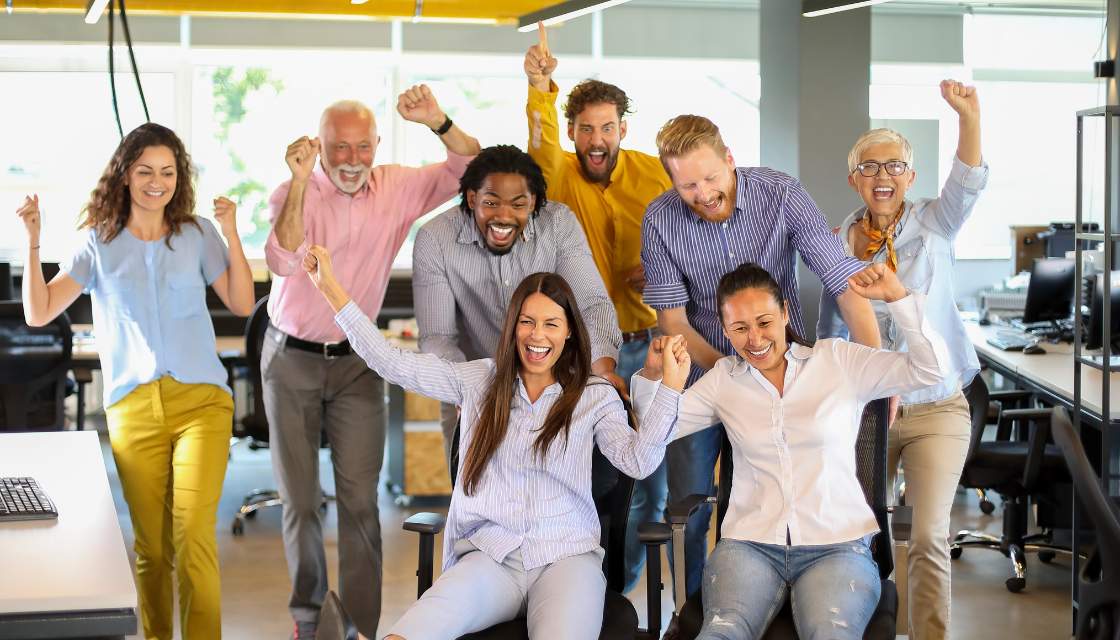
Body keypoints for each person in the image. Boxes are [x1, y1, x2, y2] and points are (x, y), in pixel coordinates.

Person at [302, 249, 687, 640]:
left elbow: (638, 462)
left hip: (566, 559)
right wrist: (329, 287)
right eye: (527, 322)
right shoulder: (478, 381)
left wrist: (670, 388)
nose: (538, 335)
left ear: (569, 330)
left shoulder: (594, 395)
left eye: (552, 324)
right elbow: (391, 361)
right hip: (489, 556)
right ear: (512, 327)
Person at [17, 122, 255, 640]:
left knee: (194, 537)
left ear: (179, 177)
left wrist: (232, 231)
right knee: (151, 549)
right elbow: (38, 313)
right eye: (146, 170)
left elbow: (241, 302)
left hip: (202, 403)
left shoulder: (196, 235)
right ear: (125, 174)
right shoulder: (98, 242)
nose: (157, 181)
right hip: (133, 408)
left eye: (168, 172)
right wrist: (34, 243)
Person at [263, 87, 480, 640]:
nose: (351, 160)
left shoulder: (397, 187)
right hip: (291, 360)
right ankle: (309, 617)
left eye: (362, 147)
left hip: (359, 363)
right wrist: (296, 182)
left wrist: (438, 120)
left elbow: (472, 167)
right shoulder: (294, 191)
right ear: (320, 146)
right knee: (302, 501)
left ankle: (357, 627)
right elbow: (285, 260)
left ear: (376, 146)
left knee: (360, 502)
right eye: (338, 148)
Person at [633, 261, 948, 639]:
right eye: (739, 328)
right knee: (721, 632)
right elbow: (656, 429)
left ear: (784, 312)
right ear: (724, 330)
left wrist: (898, 298)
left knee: (831, 632)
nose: (754, 339)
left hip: (837, 545)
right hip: (749, 546)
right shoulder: (724, 381)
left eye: (764, 322)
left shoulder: (837, 361)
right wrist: (653, 377)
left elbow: (931, 371)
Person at [640, 114, 881, 596]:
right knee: (689, 500)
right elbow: (674, 322)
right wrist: (732, 372)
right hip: (705, 371)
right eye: (688, 185)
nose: (704, 193)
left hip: (785, 375)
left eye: (711, 177)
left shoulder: (781, 194)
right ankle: (695, 604)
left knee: (783, 494)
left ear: (730, 159)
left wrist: (875, 371)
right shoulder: (659, 219)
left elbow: (843, 281)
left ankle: (800, 590)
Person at [816, 80, 986, 640]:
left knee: (930, 535)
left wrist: (968, 115)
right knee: (864, 532)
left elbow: (966, 179)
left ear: (910, 178)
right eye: (870, 167)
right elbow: (834, 327)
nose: (882, 175)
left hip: (937, 407)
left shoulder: (936, 224)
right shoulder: (839, 240)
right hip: (872, 410)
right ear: (853, 179)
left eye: (895, 166)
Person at [523, 22, 674, 590]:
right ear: (573, 131)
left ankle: (621, 592)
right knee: (584, 478)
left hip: (649, 350)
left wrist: (660, 264)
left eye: (607, 127)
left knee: (648, 487)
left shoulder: (653, 173)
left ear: (622, 129)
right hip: (583, 361)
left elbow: (690, 232)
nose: (596, 138)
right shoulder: (558, 174)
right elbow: (539, 143)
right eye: (585, 127)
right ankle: (579, 583)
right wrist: (541, 87)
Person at [411, 144, 621, 459]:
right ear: (472, 199)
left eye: (518, 204)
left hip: (557, 389)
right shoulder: (435, 237)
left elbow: (592, 305)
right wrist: (467, 391)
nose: (503, 217)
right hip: (476, 391)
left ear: (533, 202)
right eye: (491, 203)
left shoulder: (559, 224)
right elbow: (438, 337)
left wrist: (601, 371)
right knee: (475, 499)